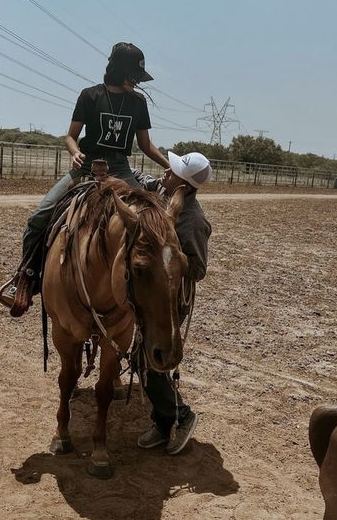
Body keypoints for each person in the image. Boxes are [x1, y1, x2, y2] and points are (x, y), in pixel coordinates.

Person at [0, 43, 169, 317]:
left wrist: (173, 166)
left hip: (121, 169)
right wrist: (75, 152)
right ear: (120, 72)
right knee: (39, 217)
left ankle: (163, 287)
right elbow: (70, 136)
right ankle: (25, 277)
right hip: (88, 166)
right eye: (134, 76)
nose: (137, 83)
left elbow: (146, 146)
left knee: (154, 220)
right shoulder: (90, 96)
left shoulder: (138, 103)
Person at [132, 151, 213, 455]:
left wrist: (173, 259)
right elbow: (145, 180)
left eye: (173, 169)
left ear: (185, 185)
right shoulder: (165, 193)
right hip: (155, 294)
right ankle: (163, 422)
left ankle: (180, 414)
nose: (167, 170)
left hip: (171, 300)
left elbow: (199, 268)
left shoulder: (193, 220)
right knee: (147, 357)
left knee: (151, 358)